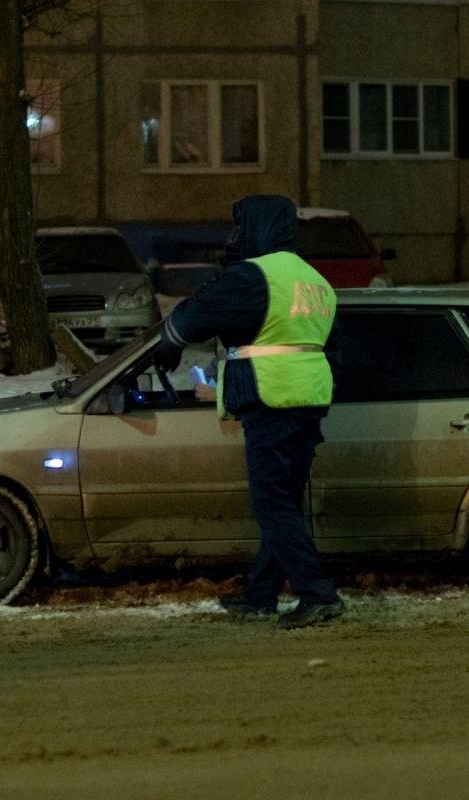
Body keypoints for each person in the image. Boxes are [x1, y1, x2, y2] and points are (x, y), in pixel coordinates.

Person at [154, 195, 345, 629]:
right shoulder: (313, 279)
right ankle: (261, 595)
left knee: (271, 504)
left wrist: (171, 337)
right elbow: (333, 345)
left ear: (257, 228)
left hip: (271, 398)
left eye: (239, 229)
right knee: (283, 503)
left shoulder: (255, 276)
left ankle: (318, 593)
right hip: (309, 399)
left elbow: (201, 311)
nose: (234, 238)